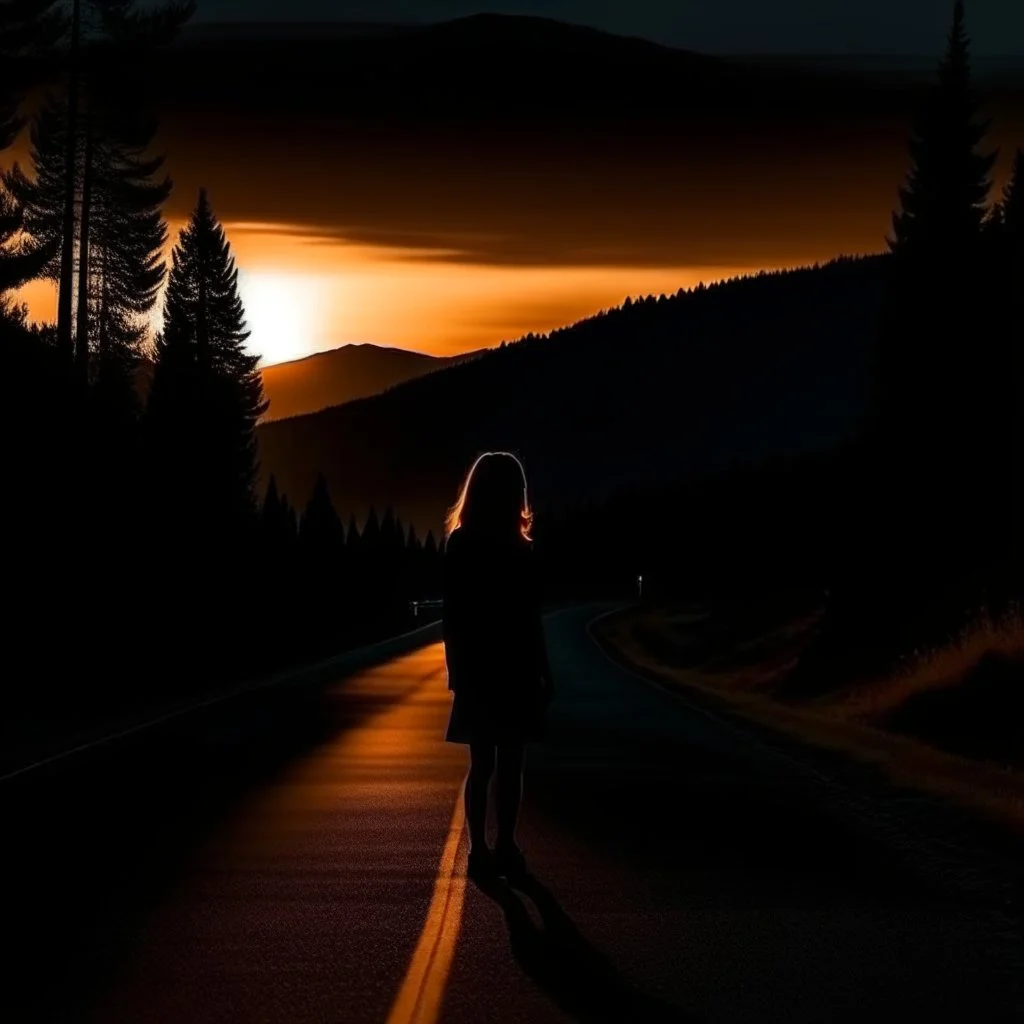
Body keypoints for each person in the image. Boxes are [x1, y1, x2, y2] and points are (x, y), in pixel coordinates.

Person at [442, 451, 554, 880]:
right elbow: (530, 618)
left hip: (477, 664)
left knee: (482, 762)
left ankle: (478, 847)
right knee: (511, 761)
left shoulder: (460, 544)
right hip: (515, 665)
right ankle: (505, 842)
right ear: (516, 495)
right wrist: (544, 672)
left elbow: (454, 615)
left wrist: (456, 671)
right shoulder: (520, 549)